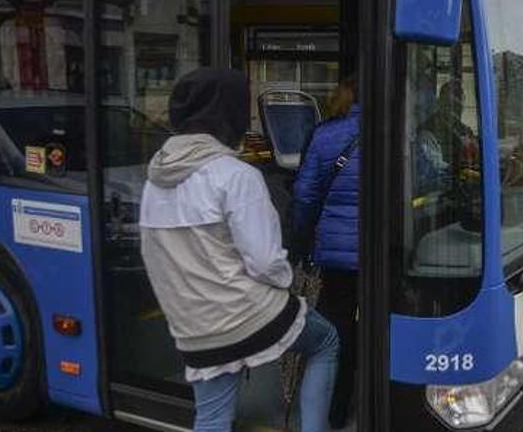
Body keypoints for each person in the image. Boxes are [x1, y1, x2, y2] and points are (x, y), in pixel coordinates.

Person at [139, 67, 338, 432]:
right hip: (248, 316)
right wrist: (288, 279)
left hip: (194, 328)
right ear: (226, 115)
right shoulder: (235, 176)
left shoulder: (154, 181)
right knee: (325, 341)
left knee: (212, 417)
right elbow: (265, 262)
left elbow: (153, 257)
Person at [293, 76, 361, 430]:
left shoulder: (325, 134)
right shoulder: (401, 130)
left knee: (337, 329)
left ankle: (335, 411)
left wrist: (301, 242)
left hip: (336, 255)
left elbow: (305, 197)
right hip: (390, 254)